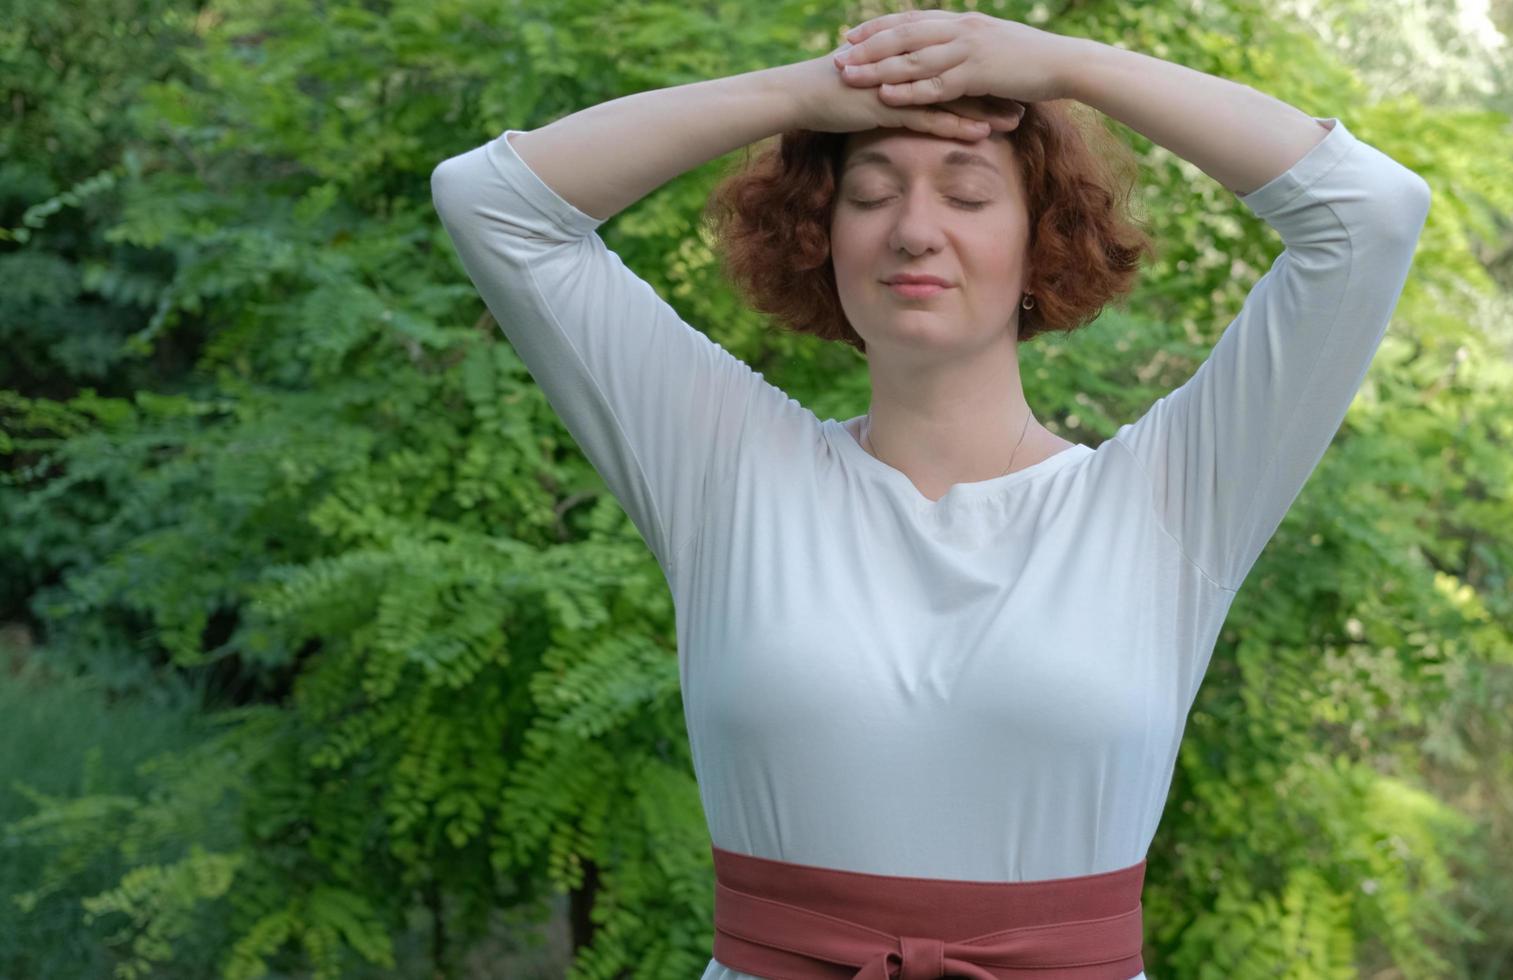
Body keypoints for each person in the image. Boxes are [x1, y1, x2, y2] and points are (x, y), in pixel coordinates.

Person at [430, 10, 1430, 978]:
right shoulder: (727, 471)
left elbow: (1368, 215)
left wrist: (1065, 67)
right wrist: (807, 93)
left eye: (965, 191)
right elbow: (494, 203)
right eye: (869, 193)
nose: (913, 229)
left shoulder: (1168, 501)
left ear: (1039, 238)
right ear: (820, 234)